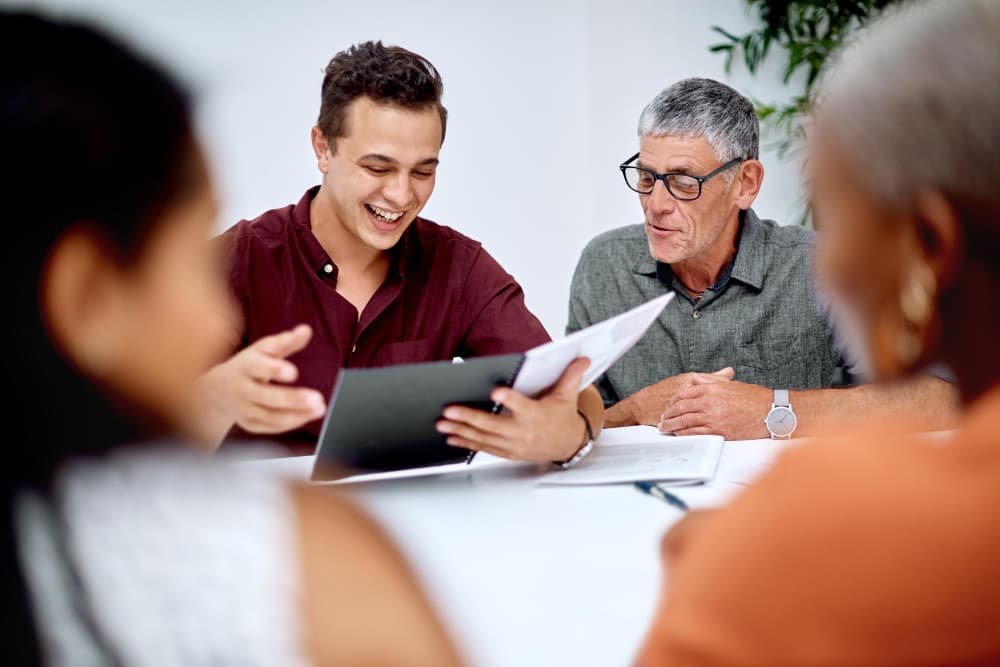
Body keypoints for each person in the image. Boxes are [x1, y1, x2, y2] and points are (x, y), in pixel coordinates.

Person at [3, 13, 462, 666]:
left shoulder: (455, 259)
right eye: (191, 256)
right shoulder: (298, 564)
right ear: (87, 296)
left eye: (423, 170)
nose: (217, 317)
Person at [638, 0, 1000, 663]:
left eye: (834, 213)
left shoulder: (826, 517)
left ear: (928, 243)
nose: (823, 259)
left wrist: (739, 553)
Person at [195, 41, 604, 461]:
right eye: (378, 168)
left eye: (423, 171)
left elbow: (573, 390)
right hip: (264, 515)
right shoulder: (236, 260)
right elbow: (142, 425)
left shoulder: (459, 268)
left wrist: (573, 436)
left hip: (411, 518)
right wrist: (214, 398)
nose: (401, 194)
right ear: (323, 148)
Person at [569, 77, 958, 440]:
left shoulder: (821, 266)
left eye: (684, 182)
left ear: (745, 184)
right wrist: (635, 409)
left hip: (788, 502)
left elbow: (942, 399)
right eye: (647, 178)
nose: (655, 206)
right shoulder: (603, 266)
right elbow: (566, 421)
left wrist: (772, 409)